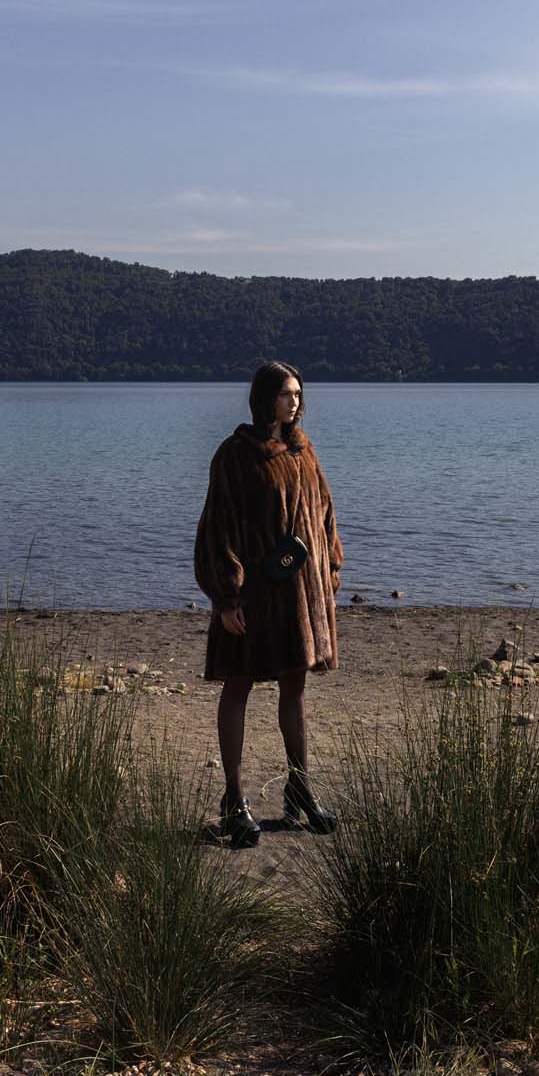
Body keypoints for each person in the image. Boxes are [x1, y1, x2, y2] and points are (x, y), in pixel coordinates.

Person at [194, 360, 343, 848]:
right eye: (285, 394)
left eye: (298, 394)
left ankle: (300, 787)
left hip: (300, 596)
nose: (294, 402)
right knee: (238, 685)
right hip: (253, 596)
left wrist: (331, 569)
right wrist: (227, 596)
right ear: (264, 398)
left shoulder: (304, 450)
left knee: (294, 687)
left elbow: (325, 513)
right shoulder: (235, 455)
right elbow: (218, 527)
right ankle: (235, 799)